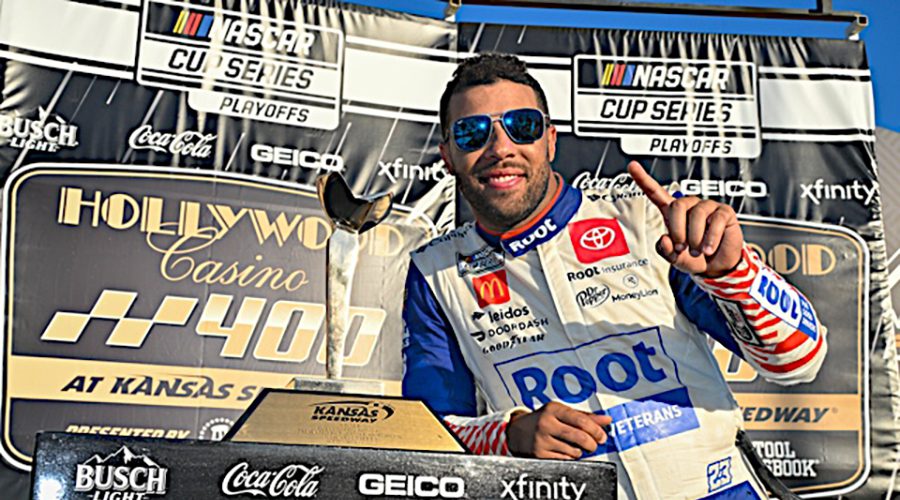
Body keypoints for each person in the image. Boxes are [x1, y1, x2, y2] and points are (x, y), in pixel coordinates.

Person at [402, 53, 826, 499]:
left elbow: (798, 362)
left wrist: (733, 274)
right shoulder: (437, 272)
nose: (500, 149)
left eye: (521, 126)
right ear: (448, 156)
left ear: (550, 140)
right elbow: (431, 437)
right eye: (472, 134)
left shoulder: (645, 220)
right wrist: (511, 436)